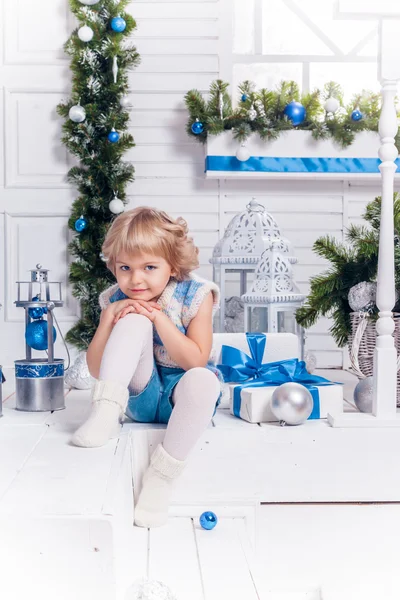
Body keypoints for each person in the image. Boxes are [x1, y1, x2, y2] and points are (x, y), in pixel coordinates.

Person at [71, 206, 222, 528]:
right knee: (132, 320)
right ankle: (105, 412)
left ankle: (160, 479)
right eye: (125, 267)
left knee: (204, 379)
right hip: (140, 394)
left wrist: (159, 318)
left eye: (149, 267)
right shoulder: (115, 298)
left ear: (173, 266)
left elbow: (196, 360)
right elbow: (98, 369)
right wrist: (107, 320)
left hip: (183, 399)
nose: (135, 279)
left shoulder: (196, 294)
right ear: (113, 266)